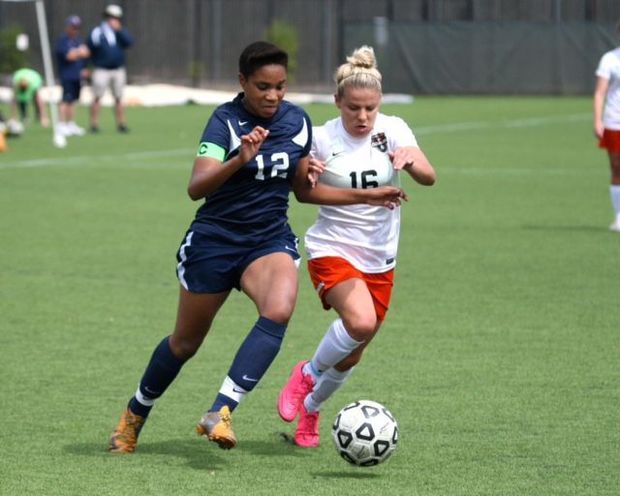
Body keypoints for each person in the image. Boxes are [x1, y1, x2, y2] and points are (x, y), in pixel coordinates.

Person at [107, 41, 405, 454]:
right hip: (215, 241)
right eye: (263, 86)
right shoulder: (223, 123)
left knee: (279, 309)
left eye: (280, 86)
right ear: (243, 82)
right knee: (185, 343)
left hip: (267, 239)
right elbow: (197, 187)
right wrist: (239, 159)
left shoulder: (297, 122)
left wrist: (355, 191)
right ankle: (134, 415)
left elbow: (303, 191)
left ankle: (221, 411)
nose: (272, 95)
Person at [277, 45, 436, 447]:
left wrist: (412, 160)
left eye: (371, 108)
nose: (363, 117)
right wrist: (309, 175)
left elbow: (429, 177)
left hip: (380, 256)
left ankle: (311, 409)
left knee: (351, 354)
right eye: (354, 109)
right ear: (337, 103)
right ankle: (307, 374)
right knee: (360, 323)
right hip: (333, 247)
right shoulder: (320, 138)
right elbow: (303, 196)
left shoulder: (395, 128)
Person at [87, 4, 134, 133]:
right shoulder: (97, 32)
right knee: (97, 97)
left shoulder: (120, 32)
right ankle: (94, 124)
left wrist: (119, 31)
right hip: (101, 69)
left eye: (116, 17)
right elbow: (89, 49)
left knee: (118, 97)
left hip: (118, 69)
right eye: (111, 17)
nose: (114, 20)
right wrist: (86, 67)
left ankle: (121, 124)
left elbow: (129, 42)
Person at [594, 21, 620, 232]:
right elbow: (600, 92)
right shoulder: (610, 59)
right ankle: (619, 216)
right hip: (614, 121)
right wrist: (597, 120)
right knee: (617, 168)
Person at [55, 15, 90, 137]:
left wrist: (78, 54)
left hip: (77, 75)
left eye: (77, 28)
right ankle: (61, 124)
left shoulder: (79, 40)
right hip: (67, 75)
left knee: (73, 101)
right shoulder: (63, 41)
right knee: (65, 100)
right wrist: (79, 52)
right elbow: (69, 56)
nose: (75, 30)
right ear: (68, 27)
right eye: (73, 27)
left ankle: (71, 124)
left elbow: (86, 53)